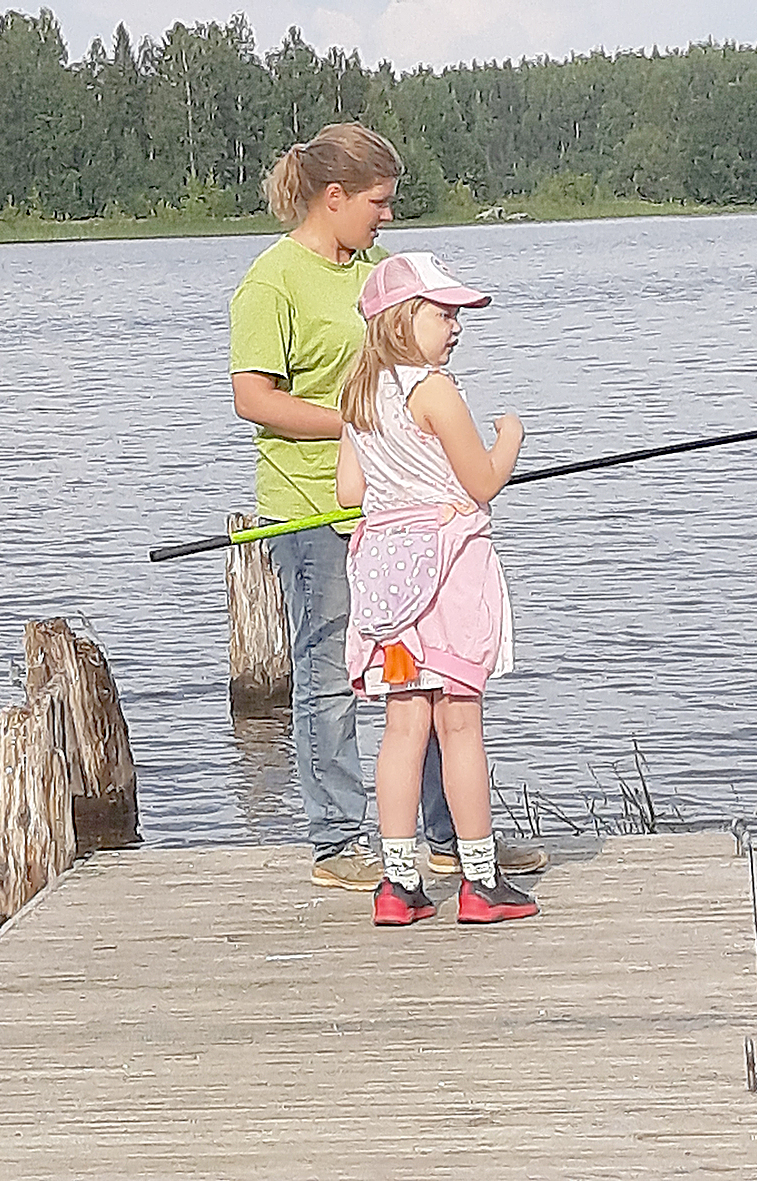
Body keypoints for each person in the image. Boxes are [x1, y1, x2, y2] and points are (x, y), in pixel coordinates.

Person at [228, 123, 546, 889]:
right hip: (310, 509)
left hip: (403, 517)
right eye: (378, 201)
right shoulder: (270, 283)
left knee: (431, 677)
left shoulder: (382, 272)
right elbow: (252, 399)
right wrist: (365, 426)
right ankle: (339, 841)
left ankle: (447, 837)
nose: (387, 216)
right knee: (331, 673)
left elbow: (407, 374)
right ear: (331, 198)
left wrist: (396, 430)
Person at [336, 251, 540, 925]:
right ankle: (480, 883)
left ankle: (397, 883)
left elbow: (349, 491)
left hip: (386, 581)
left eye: (456, 315)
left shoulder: (358, 392)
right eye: (441, 313)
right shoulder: (435, 391)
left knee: (402, 729)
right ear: (399, 319)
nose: (454, 326)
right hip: (449, 578)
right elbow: (481, 481)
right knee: (460, 725)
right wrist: (510, 438)